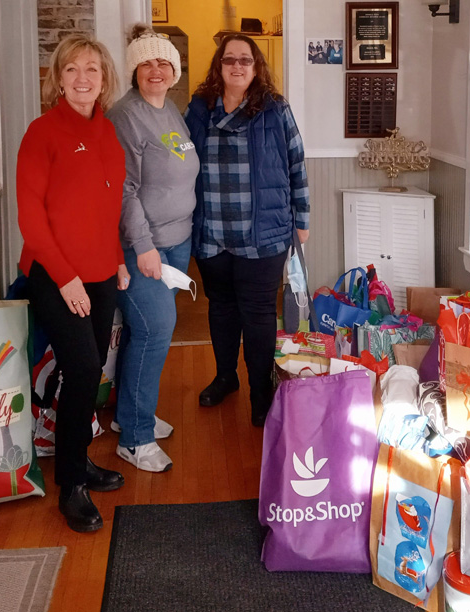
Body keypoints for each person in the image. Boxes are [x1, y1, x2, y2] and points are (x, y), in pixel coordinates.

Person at [16, 33, 128, 533]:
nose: (83, 78)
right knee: (82, 368)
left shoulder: (107, 132)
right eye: (72, 69)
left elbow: (107, 209)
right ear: (58, 78)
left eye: (92, 69)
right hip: (54, 275)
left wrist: (120, 259)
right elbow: (31, 220)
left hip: (103, 273)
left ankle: (78, 462)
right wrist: (66, 280)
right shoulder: (41, 133)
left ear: (104, 79)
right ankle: (71, 486)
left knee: (89, 370)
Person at [184, 33, 310, 427]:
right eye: (229, 60)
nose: (237, 66)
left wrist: (301, 218)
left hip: (265, 233)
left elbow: (296, 163)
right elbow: (179, 162)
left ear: (256, 68)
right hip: (212, 230)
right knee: (220, 310)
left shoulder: (275, 110)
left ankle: (261, 391)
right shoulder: (199, 110)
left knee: (257, 317)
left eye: (245, 60)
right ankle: (225, 377)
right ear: (218, 67)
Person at [105, 24, 199, 472]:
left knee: (149, 334)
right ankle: (135, 438)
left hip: (177, 241)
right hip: (144, 247)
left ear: (175, 71)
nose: (155, 70)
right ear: (134, 71)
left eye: (163, 62)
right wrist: (142, 246)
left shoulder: (170, 110)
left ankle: (131, 415)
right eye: (146, 63)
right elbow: (122, 189)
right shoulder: (125, 115)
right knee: (154, 331)